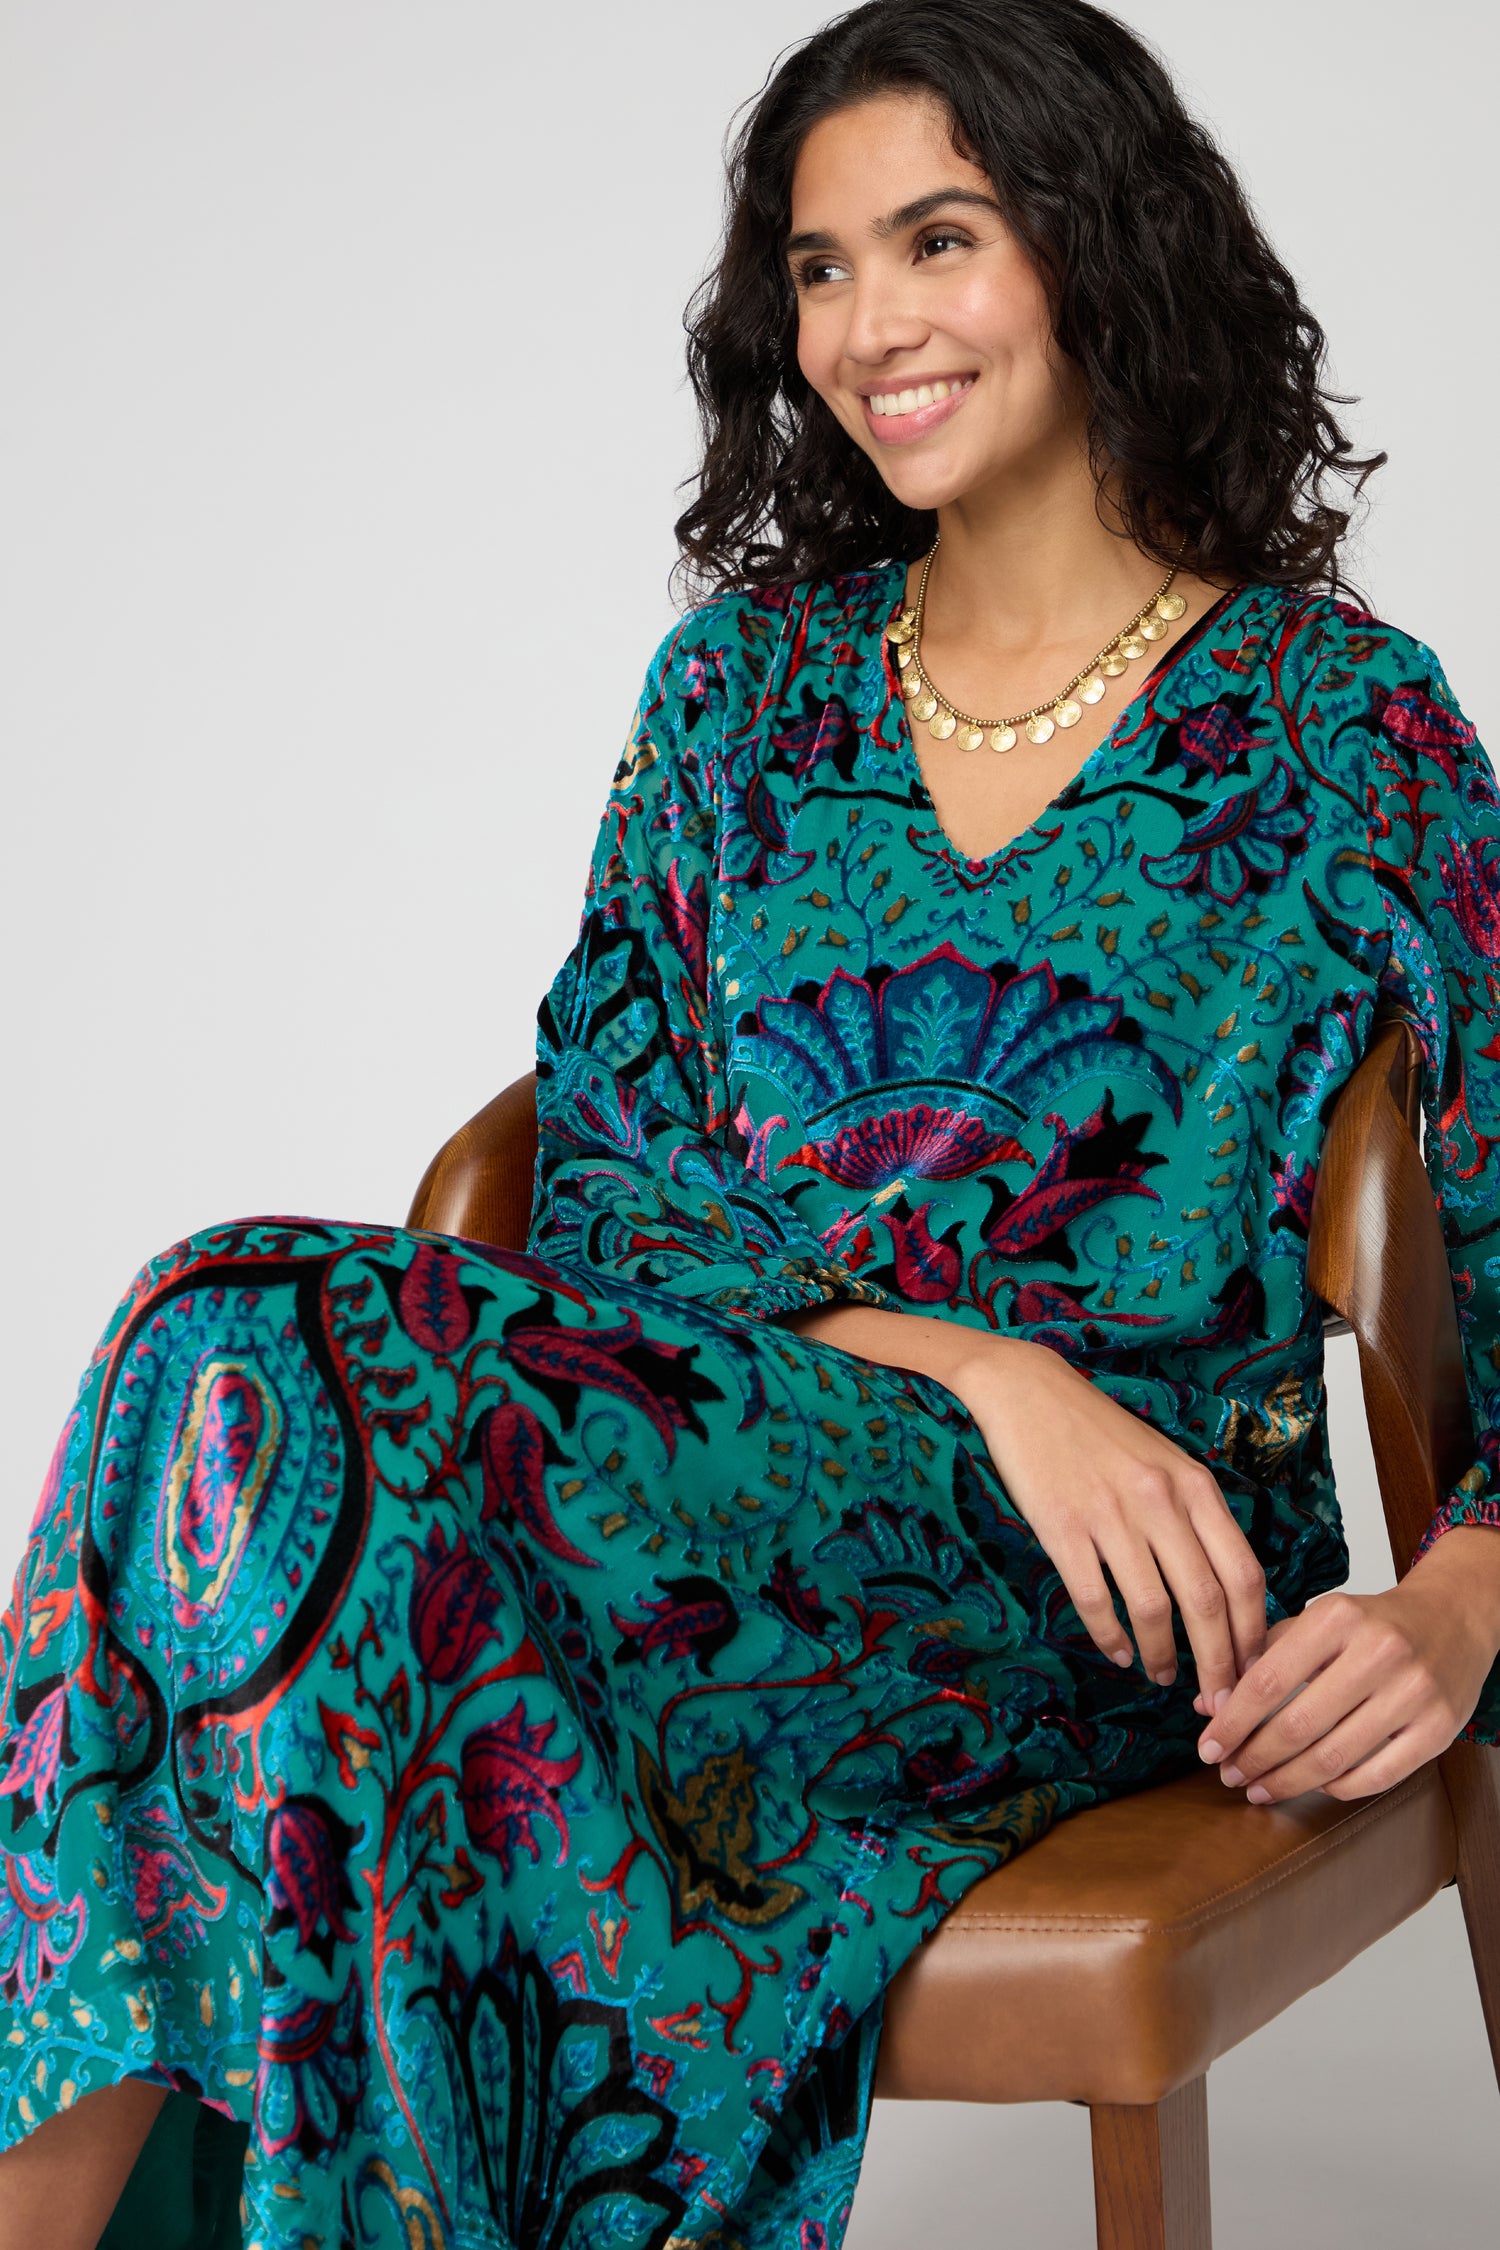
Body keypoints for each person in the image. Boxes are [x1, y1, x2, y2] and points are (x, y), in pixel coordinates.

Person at [5, 1, 1500, 2244]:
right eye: (816, 267)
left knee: (231, 1342)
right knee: (222, 1375)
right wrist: (990, 1373)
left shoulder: (1338, 723)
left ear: (1100, 252)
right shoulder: (742, 696)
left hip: (1110, 1595)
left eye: (937, 240)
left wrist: (1464, 1601)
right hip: (703, 1503)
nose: (867, 325)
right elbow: (604, 1201)